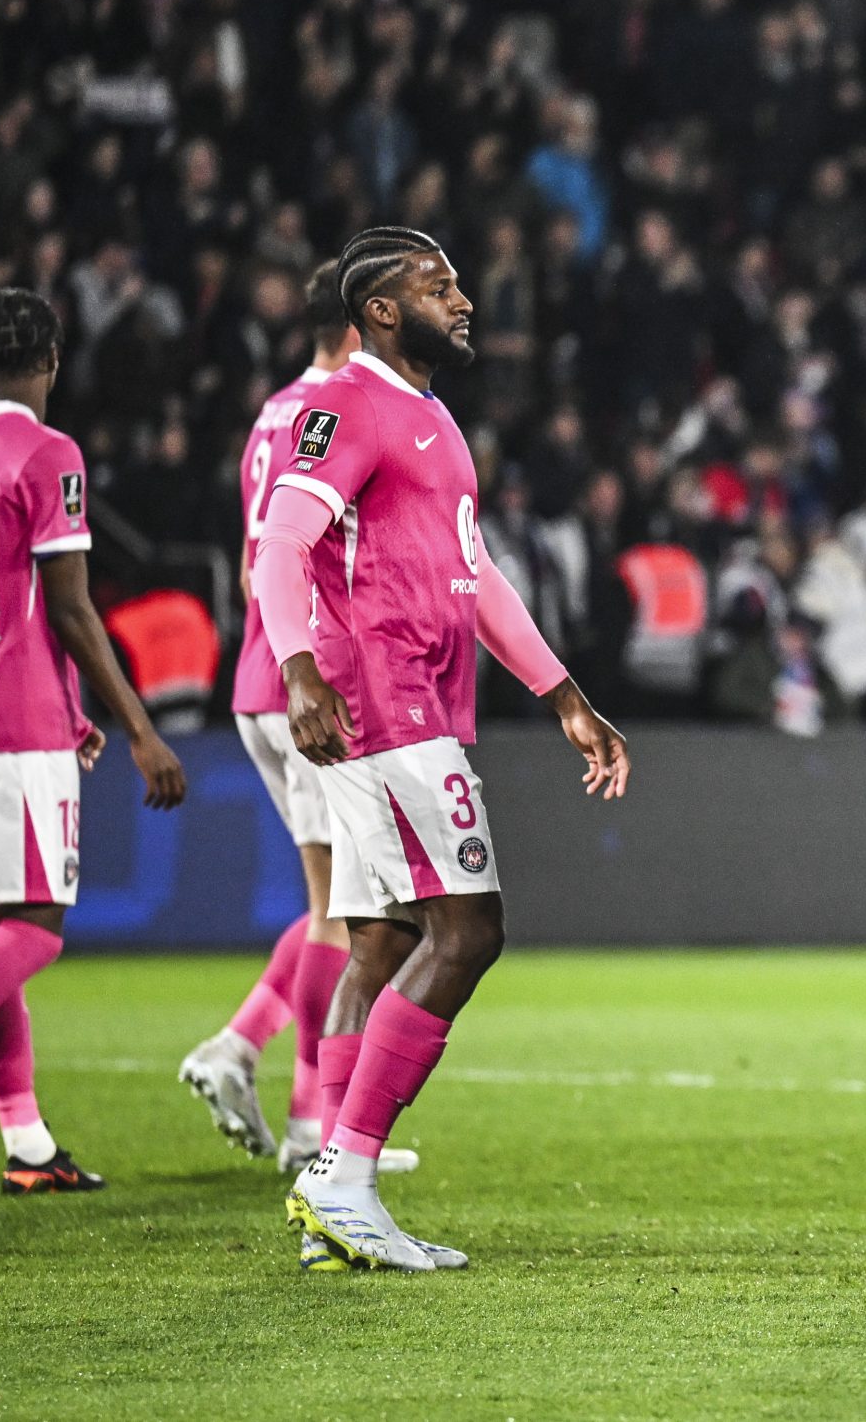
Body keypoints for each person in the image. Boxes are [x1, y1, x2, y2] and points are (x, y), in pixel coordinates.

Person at [250, 228, 630, 1272]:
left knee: (378, 944)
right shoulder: (349, 405)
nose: (463, 301)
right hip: (387, 702)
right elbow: (280, 545)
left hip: (412, 702)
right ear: (380, 310)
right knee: (468, 933)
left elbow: (477, 576)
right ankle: (346, 1176)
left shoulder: (432, 416)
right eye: (439, 285)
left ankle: (333, 1188)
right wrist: (298, 670)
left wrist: (562, 694)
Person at [0, 288, 187, 1201]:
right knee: (36, 928)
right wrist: (140, 729)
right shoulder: (50, 453)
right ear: (53, 360)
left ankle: (26, 1142)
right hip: (15, 719)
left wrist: (31, 679)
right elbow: (70, 606)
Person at [180, 262, 405, 1175]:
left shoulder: (270, 414)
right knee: (338, 913)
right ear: (359, 325)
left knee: (335, 901)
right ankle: (315, 1123)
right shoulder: (341, 413)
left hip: (258, 680)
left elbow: (254, 559)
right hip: (305, 683)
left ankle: (242, 1049)